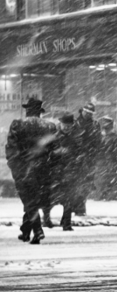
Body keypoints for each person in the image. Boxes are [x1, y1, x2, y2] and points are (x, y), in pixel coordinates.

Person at [6, 98, 56, 244]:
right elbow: (55, 149)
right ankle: (26, 231)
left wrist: (15, 165)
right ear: (39, 112)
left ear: (27, 110)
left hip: (24, 169)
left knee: (29, 201)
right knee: (33, 200)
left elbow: (11, 148)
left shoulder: (18, 125)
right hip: (43, 170)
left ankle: (38, 231)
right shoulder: (50, 127)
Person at [50, 113, 83, 231]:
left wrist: (78, 158)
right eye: (65, 125)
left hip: (71, 172)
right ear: (60, 124)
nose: (66, 127)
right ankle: (47, 219)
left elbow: (80, 152)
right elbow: (49, 154)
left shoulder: (75, 138)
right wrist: (58, 153)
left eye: (69, 125)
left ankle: (66, 222)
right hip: (57, 172)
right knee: (55, 197)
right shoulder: (55, 138)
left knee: (69, 197)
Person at [73, 102, 102, 215]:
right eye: (87, 112)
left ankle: (80, 206)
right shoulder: (75, 123)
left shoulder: (95, 124)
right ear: (82, 111)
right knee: (75, 184)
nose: (88, 115)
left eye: (90, 113)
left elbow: (98, 142)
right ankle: (75, 206)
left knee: (85, 184)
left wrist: (92, 154)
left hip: (89, 159)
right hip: (76, 158)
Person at [93, 116, 117, 200]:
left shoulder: (113, 137)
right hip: (103, 161)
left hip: (109, 161)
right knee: (102, 178)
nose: (105, 128)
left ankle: (106, 195)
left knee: (108, 177)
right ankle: (102, 194)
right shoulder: (100, 136)